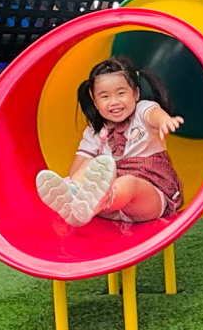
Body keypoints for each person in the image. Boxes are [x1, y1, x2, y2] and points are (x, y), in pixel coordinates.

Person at [36, 56, 184, 226]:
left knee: (128, 183)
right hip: (109, 210)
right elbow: (77, 167)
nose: (114, 102)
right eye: (104, 96)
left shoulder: (141, 112)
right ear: (95, 102)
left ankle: (102, 199)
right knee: (89, 164)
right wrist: (74, 180)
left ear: (135, 94)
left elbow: (153, 114)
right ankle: (76, 200)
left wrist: (165, 121)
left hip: (148, 199)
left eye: (121, 93)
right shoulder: (94, 131)